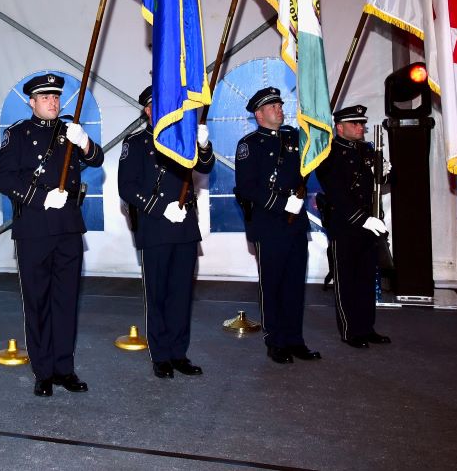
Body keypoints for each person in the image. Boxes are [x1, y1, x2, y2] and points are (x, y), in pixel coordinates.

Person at [0, 72, 104, 397]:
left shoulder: (69, 130)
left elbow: (96, 160)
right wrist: (40, 198)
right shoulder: (17, 134)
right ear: (32, 102)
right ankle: (43, 371)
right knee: (38, 302)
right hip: (34, 230)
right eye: (45, 97)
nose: (52, 102)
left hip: (68, 228)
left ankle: (64, 368)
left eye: (55, 97)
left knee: (66, 301)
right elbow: (3, 178)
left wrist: (84, 142)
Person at [118, 85, 215, 379]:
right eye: (156, 106)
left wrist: (204, 145)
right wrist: (161, 208)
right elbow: (127, 187)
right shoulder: (135, 144)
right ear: (148, 111)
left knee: (181, 295)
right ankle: (160, 355)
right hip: (156, 227)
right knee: (158, 294)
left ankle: (178, 353)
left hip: (185, 228)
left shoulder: (184, 138)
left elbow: (205, 167)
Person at [234, 87, 321, 365]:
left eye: (280, 105)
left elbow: (313, 160)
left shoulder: (295, 138)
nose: (280, 109)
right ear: (259, 114)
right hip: (269, 224)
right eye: (273, 106)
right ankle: (276, 342)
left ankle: (296, 340)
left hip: (296, 225)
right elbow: (247, 188)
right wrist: (281, 203)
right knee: (272, 286)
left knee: (295, 285)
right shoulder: (249, 144)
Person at [315, 104, 392, 349]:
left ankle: (367, 327)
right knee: (347, 281)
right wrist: (362, 219)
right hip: (346, 226)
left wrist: (387, 173)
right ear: (340, 127)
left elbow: (377, 184)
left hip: (369, 227)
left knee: (366, 279)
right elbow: (337, 195)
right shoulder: (329, 154)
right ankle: (350, 330)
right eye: (355, 124)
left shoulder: (367, 149)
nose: (361, 127)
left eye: (362, 123)